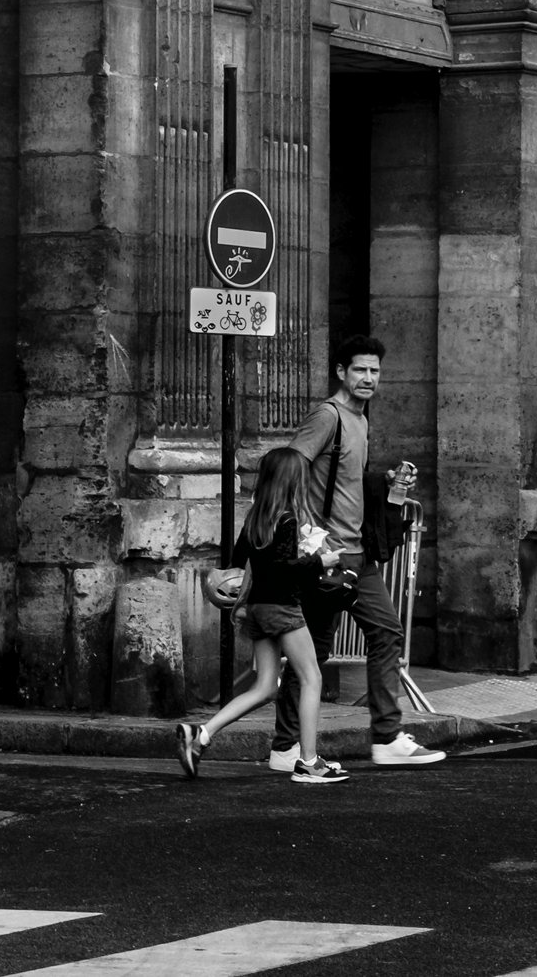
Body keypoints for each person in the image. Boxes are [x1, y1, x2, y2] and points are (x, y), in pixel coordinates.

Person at [267, 334, 445, 772]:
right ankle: (286, 746)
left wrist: (386, 486)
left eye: (375, 371)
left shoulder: (361, 420)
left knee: (384, 632)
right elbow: (289, 472)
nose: (369, 378)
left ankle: (385, 737)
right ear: (341, 373)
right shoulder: (327, 417)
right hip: (329, 557)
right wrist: (313, 539)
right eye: (360, 370)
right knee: (314, 652)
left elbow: (341, 482)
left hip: (356, 555)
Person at [175, 448, 351, 785]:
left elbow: (241, 561)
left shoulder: (257, 517)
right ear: (292, 481)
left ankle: (201, 734)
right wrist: (319, 562)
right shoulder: (287, 519)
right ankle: (309, 762)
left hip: (255, 609)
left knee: (266, 685)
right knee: (312, 678)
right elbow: (279, 570)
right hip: (282, 608)